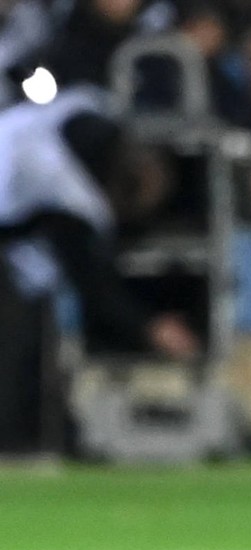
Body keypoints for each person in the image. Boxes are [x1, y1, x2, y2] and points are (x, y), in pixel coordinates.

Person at [0, 86, 199, 455]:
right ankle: (17, 439)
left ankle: (42, 430)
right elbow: (96, 287)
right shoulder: (69, 195)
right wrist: (150, 326)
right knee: (20, 333)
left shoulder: (84, 111)